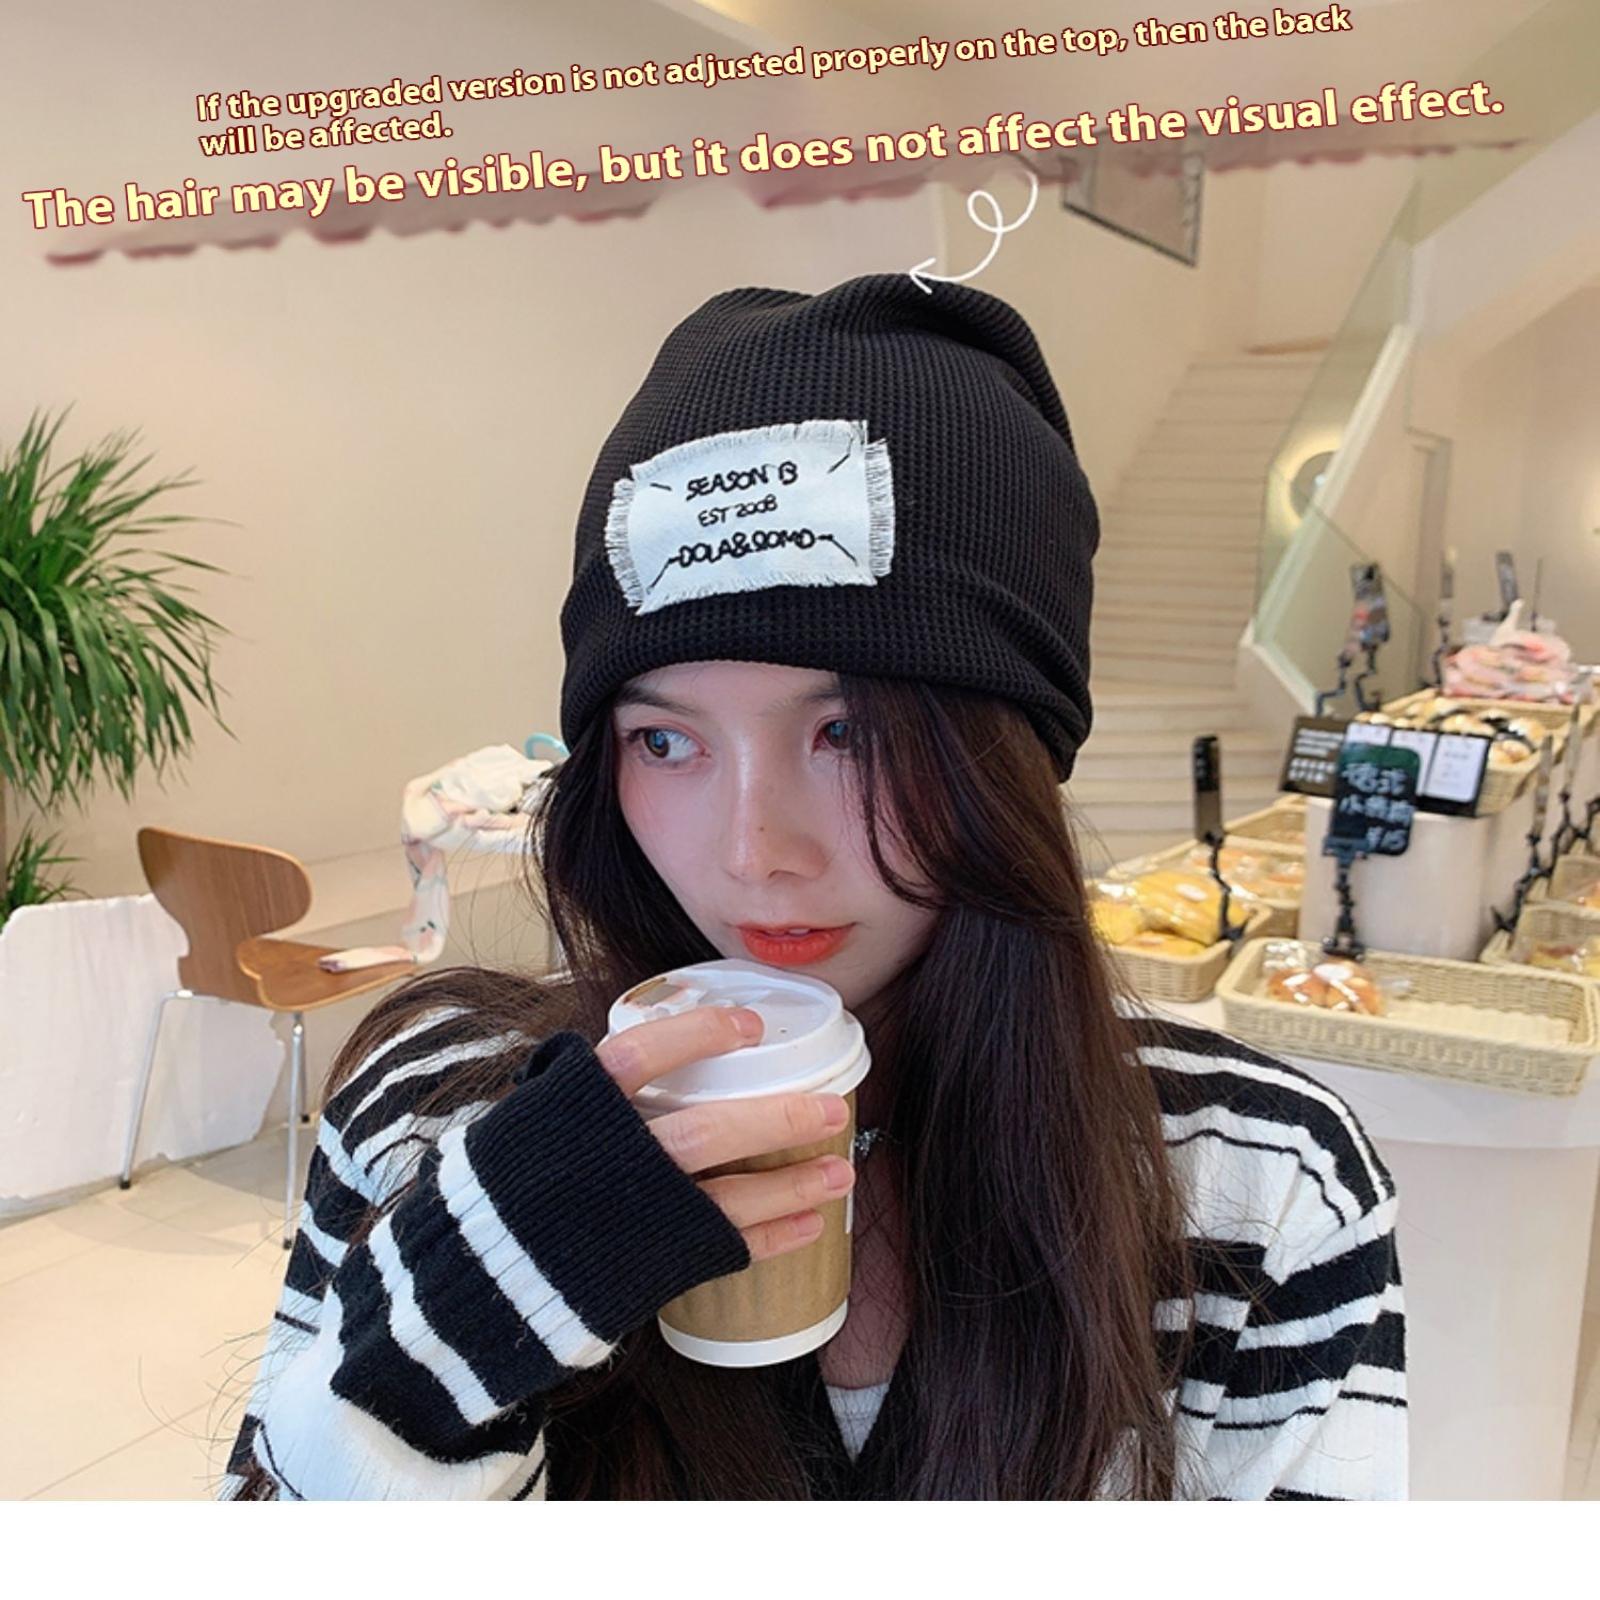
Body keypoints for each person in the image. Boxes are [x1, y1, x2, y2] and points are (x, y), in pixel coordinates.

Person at [218, 275, 1405, 1500]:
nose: (752, 851)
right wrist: (450, 1336)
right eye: (664, 740)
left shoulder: (1258, 1184)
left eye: (848, 734)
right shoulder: (432, 1114)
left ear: (1006, 758)